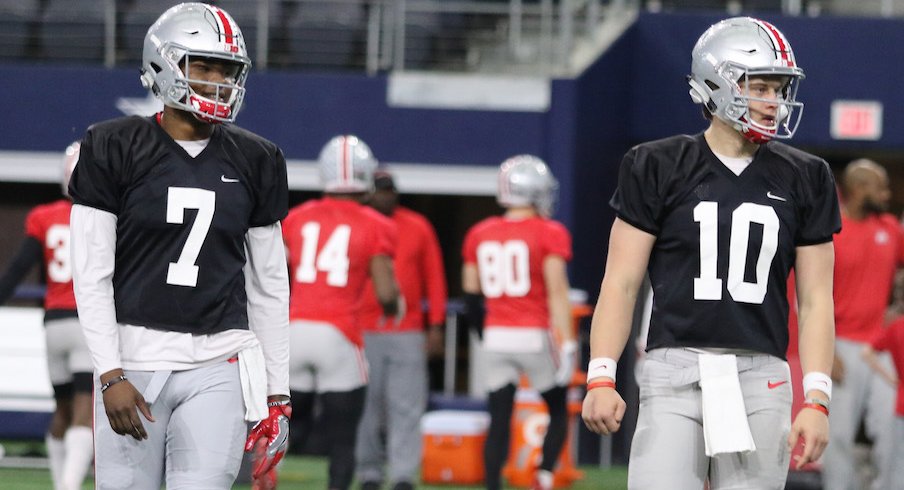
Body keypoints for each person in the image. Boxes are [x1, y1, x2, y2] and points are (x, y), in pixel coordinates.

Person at [581, 17, 839, 489]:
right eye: (759, 86)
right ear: (715, 85)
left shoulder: (807, 176)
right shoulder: (656, 165)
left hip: (762, 377)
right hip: (673, 368)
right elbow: (620, 281)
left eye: (779, 88)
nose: (774, 102)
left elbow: (818, 298)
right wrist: (601, 374)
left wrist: (817, 397)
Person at [67, 4, 291, 489]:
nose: (217, 81)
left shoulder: (258, 158)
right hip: (134, 358)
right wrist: (109, 373)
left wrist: (277, 395)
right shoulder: (112, 145)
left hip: (220, 360)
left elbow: (270, 286)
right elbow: (91, 273)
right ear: (164, 63)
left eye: (227, 70)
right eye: (203, 66)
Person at [282, 135, 400, 490]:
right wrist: (394, 306)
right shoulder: (377, 224)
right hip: (339, 334)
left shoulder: (298, 217)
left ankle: (259, 481)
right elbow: (385, 292)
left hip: (294, 329)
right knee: (343, 439)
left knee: (279, 426)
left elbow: (274, 275)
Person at [461, 155, 576, 490]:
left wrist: (484, 336)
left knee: (498, 419)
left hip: (496, 335)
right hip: (533, 335)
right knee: (557, 408)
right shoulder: (549, 232)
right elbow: (557, 292)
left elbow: (471, 297)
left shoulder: (480, 232)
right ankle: (543, 476)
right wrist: (567, 343)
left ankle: (493, 485)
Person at [0, 142, 93, 490]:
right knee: (85, 413)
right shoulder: (105, 218)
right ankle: (67, 486)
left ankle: (60, 483)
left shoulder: (43, 217)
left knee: (62, 411)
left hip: (54, 324)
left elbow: (15, 272)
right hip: (87, 322)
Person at [355, 169, 448, 490]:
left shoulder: (417, 226)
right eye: (380, 190)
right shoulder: (357, 222)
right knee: (366, 405)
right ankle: (368, 471)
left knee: (407, 404)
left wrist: (436, 324)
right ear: (368, 193)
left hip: (407, 329)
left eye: (390, 190)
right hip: (361, 328)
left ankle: (404, 474)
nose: (385, 196)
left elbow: (434, 277)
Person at [821, 159, 902, 490]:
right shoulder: (831, 231)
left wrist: (896, 309)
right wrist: (828, 352)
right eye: (876, 185)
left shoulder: (889, 228)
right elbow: (811, 297)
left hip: (882, 349)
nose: (885, 192)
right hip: (841, 345)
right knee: (838, 434)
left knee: (890, 429)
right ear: (856, 189)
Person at [862, 312, 904, 489]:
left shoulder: (897, 326)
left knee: (898, 464)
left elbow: (867, 352)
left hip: (901, 406)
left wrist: (892, 379)